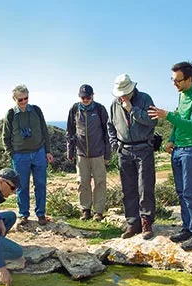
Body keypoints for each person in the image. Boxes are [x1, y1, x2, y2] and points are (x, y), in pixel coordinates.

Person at [148, 61, 192, 251]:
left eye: (177, 80)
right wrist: (171, 139)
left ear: (189, 79)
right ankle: (188, 229)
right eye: (172, 80)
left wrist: (166, 115)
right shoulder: (182, 95)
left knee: (190, 192)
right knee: (181, 192)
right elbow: (179, 121)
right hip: (179, 149)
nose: (174, 84)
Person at [107, 74, 157, 240]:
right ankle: (132, 223)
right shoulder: (114, 104)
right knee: (128, 188)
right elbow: (110, 126)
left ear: (132, 89)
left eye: (125, 93)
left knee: (145, 187)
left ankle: (146, 222)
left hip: (144, 148)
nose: (122, 96)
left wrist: (132, 110)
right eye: (120, 93)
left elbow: (152, 121)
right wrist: (115, 144)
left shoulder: (145, 99)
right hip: (124, 150)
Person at [2, 84, 54, 226]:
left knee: (41, 184)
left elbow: (44, 131)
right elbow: (5, 137)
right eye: (20, 100)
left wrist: (47, 151)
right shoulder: (11, 114)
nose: (24, 102)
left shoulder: (36, 110)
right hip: (20, 156)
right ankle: (24, 214)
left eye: (26, 98)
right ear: (14, 99)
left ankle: (41, 214)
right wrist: (12, 154)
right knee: (22, 186)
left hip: (39, 152)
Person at [66, 84, 111, 221]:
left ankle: (98, 211)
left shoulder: (100, 109)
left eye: (88, 97)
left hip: (98, 152)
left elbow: (107, 132)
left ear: (93, 96)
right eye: (83, 97)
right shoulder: (74, 109)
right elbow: (70, 131)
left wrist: (107, 154)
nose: (86, 100)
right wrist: (70, 150)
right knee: (82, 182)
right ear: (79, 96)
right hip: (81, 153)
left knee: (100, 182)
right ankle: (85, 209)